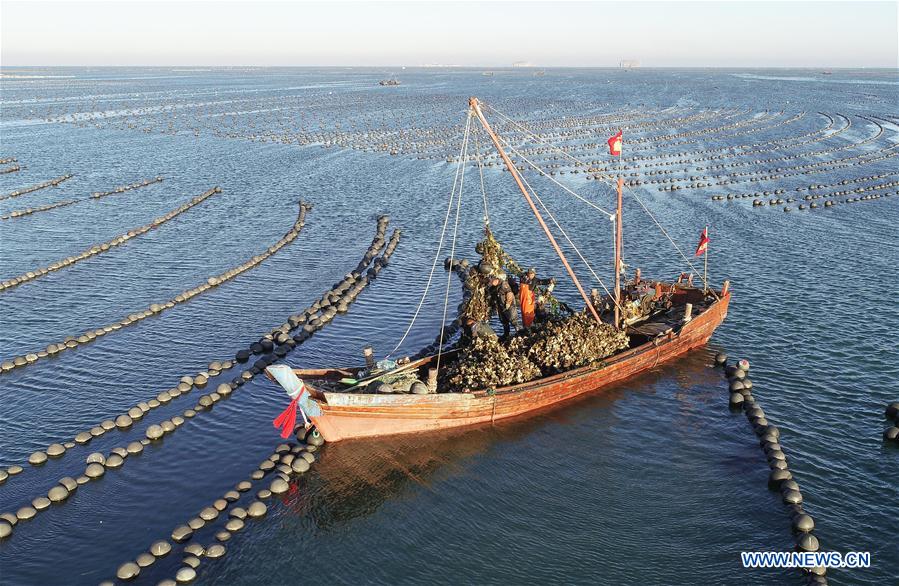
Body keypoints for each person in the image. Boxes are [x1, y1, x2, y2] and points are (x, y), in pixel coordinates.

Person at [488, 272, 520, 341]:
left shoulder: (503, 284)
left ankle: (519, 333)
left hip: (509, 306)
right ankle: (506, 334)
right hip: (501, 306)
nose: (491, 281)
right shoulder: (494, 287)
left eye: (492, 280)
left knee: (513, 320)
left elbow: (510, 293)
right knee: (504, 321)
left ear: (497, 279)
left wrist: (508, 303)